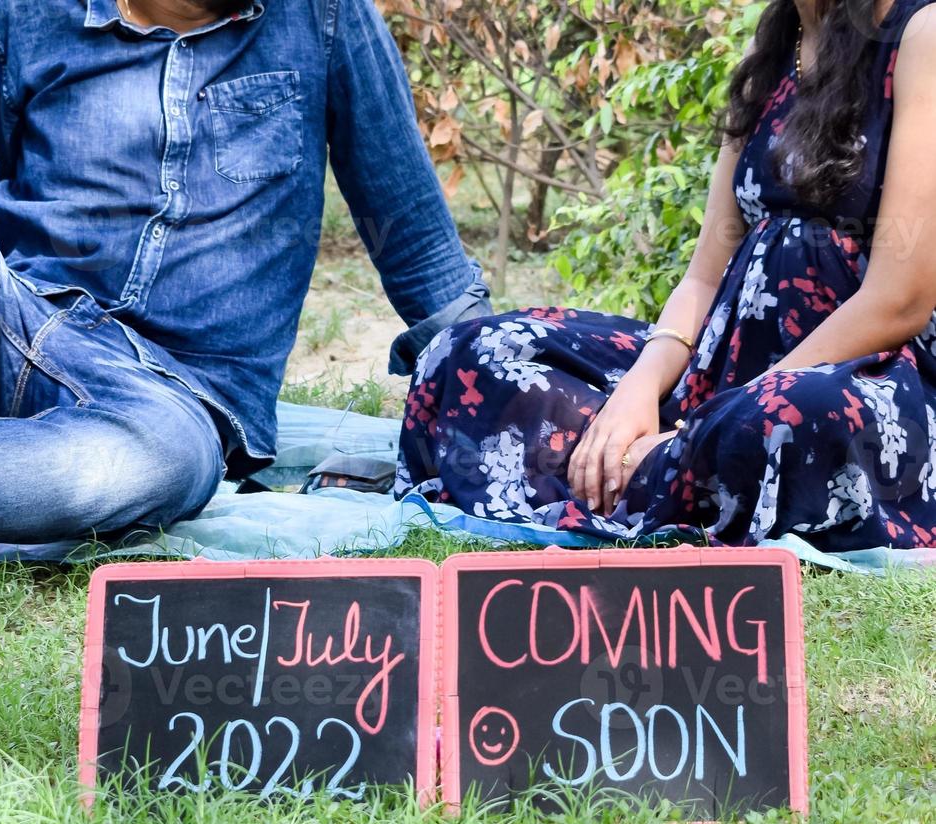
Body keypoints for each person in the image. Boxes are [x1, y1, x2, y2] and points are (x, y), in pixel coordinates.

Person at [397, 0, 936, 552]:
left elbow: (900, 300)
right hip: (719, 368)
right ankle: (659, 465)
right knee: (478, 349)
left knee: (789, 419)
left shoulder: (919, 34)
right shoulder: (776, 49)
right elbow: (704, 276)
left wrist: (720, 414)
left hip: (865, 380)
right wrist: (639, 390)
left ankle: (659, 464)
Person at [0, 0, 490, 544]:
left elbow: (413, 234)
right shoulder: (13, 12)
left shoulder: (324, 15)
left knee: (154, 468)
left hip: (177, 400)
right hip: (12, 323)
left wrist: (517, 387)